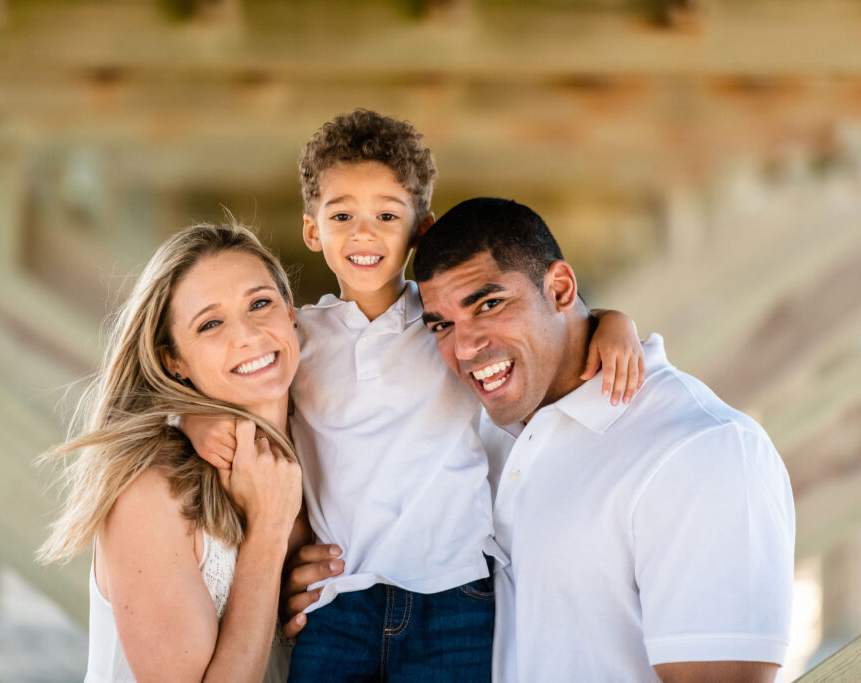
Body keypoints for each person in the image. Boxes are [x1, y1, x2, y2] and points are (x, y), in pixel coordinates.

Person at [181, 110, 645, 681]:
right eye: (342, 215)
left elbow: (549, 330)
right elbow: (231, 379)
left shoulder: (444, 327)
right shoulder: (297, 338)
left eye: (386, 215)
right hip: (336, 601)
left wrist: (612, 321)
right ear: (311, 231)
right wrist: (192, 421)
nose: (363, 233)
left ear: (420, 229)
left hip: (454, 596)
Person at [412, 197, 795, 682]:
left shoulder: (702, 451)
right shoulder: (475, 433)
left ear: (560, 288)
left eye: (489, 304)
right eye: (442, 325)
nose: (464, 347)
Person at [37, 222, 308, 683]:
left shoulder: (324, 449)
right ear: (173, 361)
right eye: (210, 323)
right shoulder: (150, 492)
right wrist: (267, 534)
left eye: (260, 303)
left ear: (291, 313)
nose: (246, 334)